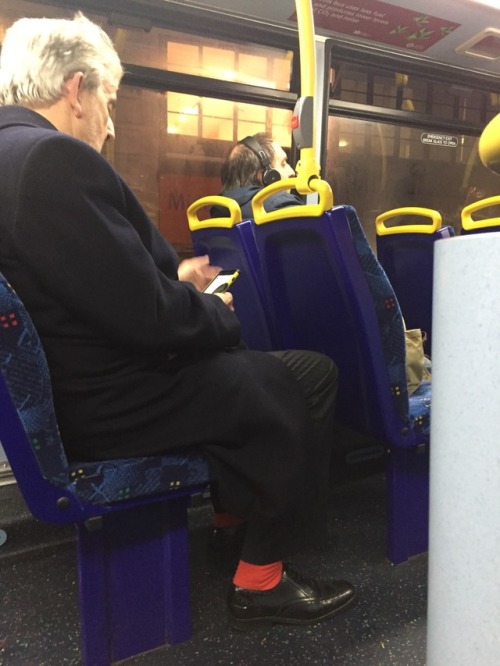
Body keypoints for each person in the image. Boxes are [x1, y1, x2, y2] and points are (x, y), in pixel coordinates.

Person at [0, 14, 355, 628]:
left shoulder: (11, 155)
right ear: (76, 89)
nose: (110, 124)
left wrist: (174, 281)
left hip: (74, 385)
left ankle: (229, 526)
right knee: (303, 376)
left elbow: (93, 284)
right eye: (108, 102)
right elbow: (147, 318)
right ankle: (260, 579)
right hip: (111, 401)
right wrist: (213, 311)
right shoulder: (51, 159)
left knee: (252, 377)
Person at [210, 132, 304, 218]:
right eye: (283, 164)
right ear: (267, 176)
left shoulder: (218, 214)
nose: (291, 172)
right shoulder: (282, 206)